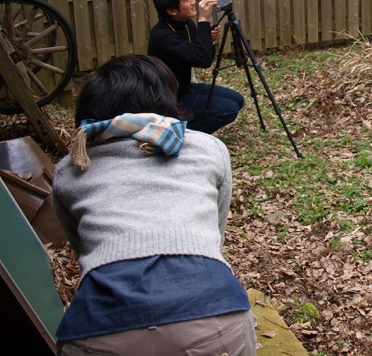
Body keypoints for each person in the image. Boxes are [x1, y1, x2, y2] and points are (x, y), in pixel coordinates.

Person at [52, 54, 256, 355]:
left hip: (99, 328)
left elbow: (82, 247)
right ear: (166, 100)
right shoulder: (207, 148)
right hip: (215, 312)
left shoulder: (72, 167)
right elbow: (216, 231)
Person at [148, 0, 244, 134]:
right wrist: (204, 20)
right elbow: (203, 60)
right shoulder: (162, 37)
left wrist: (209, 39)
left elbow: (202, 54)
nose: (193, 2)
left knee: (237, 100)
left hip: (184, 88)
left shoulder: (186, 23)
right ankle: (179, 133)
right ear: (172, 10)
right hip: (170, 100)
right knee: (228, 109)